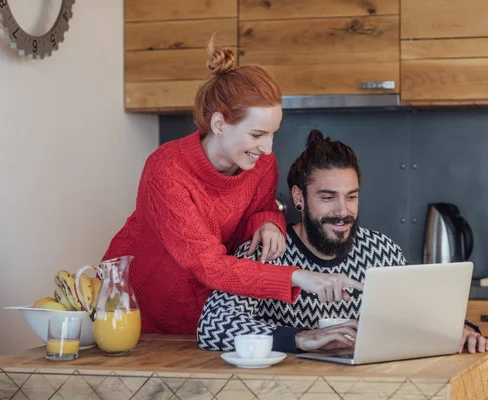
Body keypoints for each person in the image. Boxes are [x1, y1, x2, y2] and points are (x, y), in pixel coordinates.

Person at [103, 43, 362, 335]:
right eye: (257, 134)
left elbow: (261, 207)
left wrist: (266, 222)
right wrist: (298, 277)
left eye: (273, 134)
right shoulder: (167, 171)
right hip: (138, 312)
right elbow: (208, 264)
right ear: (219, 124)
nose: (267, 148)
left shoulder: (261, 163)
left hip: (206, 315)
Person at [197, 129, 488, 354]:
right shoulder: (266, 251)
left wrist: (461, 329)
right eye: (327, 197)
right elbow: (212, 327)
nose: (342, 212)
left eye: (351, 197)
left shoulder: (381, 252)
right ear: (299, 197)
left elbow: (418, 316)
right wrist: (302, 337)